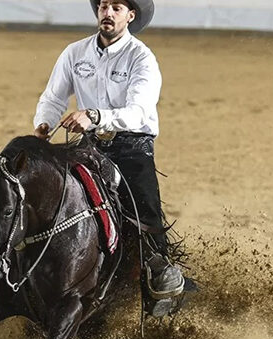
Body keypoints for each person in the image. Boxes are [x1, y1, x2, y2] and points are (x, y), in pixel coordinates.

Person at [33, 0, 184, 299]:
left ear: (131, 16)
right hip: (90, 146)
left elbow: (138, 111)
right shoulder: (74, 53)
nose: (108, 13)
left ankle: (159, 269)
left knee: (144, 212)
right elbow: (53, 98)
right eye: (104, 5)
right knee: (49, 190)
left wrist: (94, 116)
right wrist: (43, 127)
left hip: (132, 147)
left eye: (117, 7)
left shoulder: (141, 58)